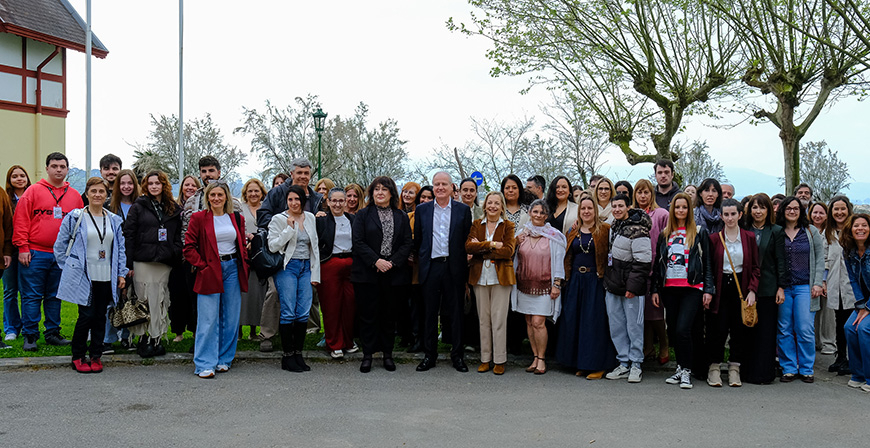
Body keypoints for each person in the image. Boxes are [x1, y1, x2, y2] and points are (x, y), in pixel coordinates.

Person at [54, 177, 128, 372]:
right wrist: (69, 268)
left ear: (106, 195)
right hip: (84, 275)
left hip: (106, 275)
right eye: (93, 191)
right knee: (85, 315)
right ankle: (78, 355)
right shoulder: (75, 217)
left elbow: (120, 250)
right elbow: (60, 246)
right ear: (86, 194)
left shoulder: (114, 220)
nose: (97, 195)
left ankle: (96, 355)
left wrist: (121, 274)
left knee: (100, 316)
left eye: (101, 191)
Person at [12, 152, 82, 351]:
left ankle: (52, 333)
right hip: (35, 252)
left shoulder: (75, 196)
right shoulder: (33, 191)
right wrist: (23, 247)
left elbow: (79, 227)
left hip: (62, 255)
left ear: (67, 169)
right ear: (47, 168)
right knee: (31, 295)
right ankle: (30, 335)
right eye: (54, 166)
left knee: (55, 295)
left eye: (62, 166)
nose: (59, 170)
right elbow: (21, 220)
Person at [183, 180, 249, 378]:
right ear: (207, 197)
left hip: (232, 268)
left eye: (220, 195)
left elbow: (241, 244)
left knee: (230, 317)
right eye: (212, 195)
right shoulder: (199, 218)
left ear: (227, 197)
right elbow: (188, 248)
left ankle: (224, 359)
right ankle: (204, 363)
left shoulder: (236, 218)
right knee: (208, 318)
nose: (216, 198)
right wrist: (202, 265)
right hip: (210, 269)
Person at [651, 193, 714, 389]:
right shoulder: (665, 234)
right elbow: (658, 263)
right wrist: (655, 289)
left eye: (684, 207)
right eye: (677, 207)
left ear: (689, 210)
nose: (680, 211)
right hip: (670, 289)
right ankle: (680, 368)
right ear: (672, 210)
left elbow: (708, 264)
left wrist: (708, 289)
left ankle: (687, 370)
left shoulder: (699, 232)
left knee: (683, 329)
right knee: (674, 331)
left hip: (692, 289)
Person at [257, 159, 325, 341]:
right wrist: (281, 225)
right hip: (281, 257)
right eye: (299, 172)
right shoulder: (277, 193)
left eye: (306, 173)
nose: (303, 176)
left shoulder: (315, 197)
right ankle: (268, 335)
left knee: (305, 299)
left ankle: (305, 333)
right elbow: (263, 215)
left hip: (305, 257)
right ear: (292, 174)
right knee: (274, 293)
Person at [351, 178, 412, 372]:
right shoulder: (362, 215)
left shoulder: (401, 216)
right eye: (376, 189)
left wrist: (392, 262)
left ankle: (387, 354)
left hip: (393, 274)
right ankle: (367, 355)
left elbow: (407, 243)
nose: (380, 193)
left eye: (384, 189)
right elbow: (358, 242)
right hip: (368, 273)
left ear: (392, 194)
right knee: (368, 315)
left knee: (388, 316)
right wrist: (376, 261)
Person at [413, 171, 472, 372]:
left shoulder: (463, 211)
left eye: (444, 184)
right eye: (436, 184)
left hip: (453, 267)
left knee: (455, 313)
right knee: (429, 313)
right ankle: (430, 355)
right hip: (430, 267)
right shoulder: (422, 210)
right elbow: (419, 239)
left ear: (451, 187)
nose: (440, 187)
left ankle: (457, 356)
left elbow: (465, 239)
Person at [556, 195, 617, 379]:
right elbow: (567, 256)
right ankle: (579, 362)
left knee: (593, 323)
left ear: (595, 210)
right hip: (575, 280)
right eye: (583, 209)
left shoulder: (605, 230)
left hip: (595, 280)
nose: (586, 211)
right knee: (574, 321)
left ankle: (597, 365)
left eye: (590, 208)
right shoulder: (572, 231)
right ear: (579, 211)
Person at [124, 170, 183, 357]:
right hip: (143, 260)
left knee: (160, 300)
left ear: (164, 185)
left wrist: (174, 251)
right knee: (144, 300)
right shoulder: (138, 206)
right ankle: (143, 339)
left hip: (164, 262)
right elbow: (129, 235)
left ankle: (157, 338)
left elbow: (178, 234)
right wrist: (128, 263)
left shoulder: (173, 208)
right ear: (145, 186)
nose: (154, 186)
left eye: (158, 183)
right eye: (150, 184)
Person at [706, 198, 760, 388]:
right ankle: (714, 368)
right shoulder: (714, 239)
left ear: (740, 215)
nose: (729, 218)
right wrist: (709, 291)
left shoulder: (749, 238)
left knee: (739, 329)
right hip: (721, 287)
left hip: (741, 288)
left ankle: (734, 368)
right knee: (717, 329)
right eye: (726, 214)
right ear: (721, 216)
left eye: (733, 214)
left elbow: (755, 267)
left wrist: (752, 290)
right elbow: (709, 268)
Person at [268, 185, 320, 373]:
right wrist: (289, 229)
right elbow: (273, 246)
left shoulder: (311, 218)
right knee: (288, 311)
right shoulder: (279, 219)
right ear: (286, 201)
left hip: (306, 267)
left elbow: (315, 247)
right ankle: (287, 355)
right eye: (290, 199)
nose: (294, 203)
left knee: (303, 312)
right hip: (287, 267)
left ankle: (298, 353)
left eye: (297, 199)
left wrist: (316, 274)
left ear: (303, 200)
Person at [775, 195, 826, 383]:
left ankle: (806, 368)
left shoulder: (811, 232)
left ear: (801, 210)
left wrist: (818, 283)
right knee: (784, 328)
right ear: (783, 210)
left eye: (796, 208)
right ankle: (788, 367)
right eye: (788, 208)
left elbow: (820, 258)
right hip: (783, 288)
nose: (792, 211)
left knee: (804, 327)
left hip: (805, 286)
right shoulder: (777, 231)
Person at [513, 199, 566, 375]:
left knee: (538, 322)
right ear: (530, 213)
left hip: (544, 286)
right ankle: (534, 357)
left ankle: (542, 359)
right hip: (524, 285)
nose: (538, 215)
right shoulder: (522, 233)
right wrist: (515, 241)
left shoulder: (554, 235)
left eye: (542, 213)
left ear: (547, 215)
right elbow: (514, 257)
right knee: (528, 321)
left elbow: (559, 261)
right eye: (535, 212)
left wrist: (557, 284)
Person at [603, 193, 652, 383]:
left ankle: (636, 364)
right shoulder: (614, 226)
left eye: (620, 206)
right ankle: (623, 362)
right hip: (613, 285)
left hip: (632, 289)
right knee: (617, 326)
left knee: (634, 326)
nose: (616, 209)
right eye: (614, 206)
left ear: (628, 207)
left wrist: (632, 286)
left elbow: (643, 262)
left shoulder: (639, 229)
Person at [466, 191, 516, 375]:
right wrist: (492, 245)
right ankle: (485, 358)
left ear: (502, 206)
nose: (493, 206)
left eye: (497, 203)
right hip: (480, 277)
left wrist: (482, 246)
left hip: (500, 278)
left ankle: (500, 359)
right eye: (490, 203)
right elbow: (469, 246)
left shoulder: (509, 226)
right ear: (485, 205)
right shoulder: (476, 224)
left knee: (499, 320)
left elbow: (508, 251)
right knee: (483, 320)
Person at [740, 193, 787, 384]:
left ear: (768, 210)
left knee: (766, 332)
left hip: (768, 287)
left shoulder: (776, 231)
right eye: (754, 207)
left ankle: (764, 373)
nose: (758, 211)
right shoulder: (743, 229)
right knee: (747, 330)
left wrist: (781, 287)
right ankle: (747, 372)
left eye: (762, 207)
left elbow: (780, 262)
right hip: (746, 287)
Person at [316, 188, 358, 359]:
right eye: (334, 200)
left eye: (341, 200)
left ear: (346, 202)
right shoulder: (321, 220)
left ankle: (348, 341)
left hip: (351, 264)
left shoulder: (353, 219)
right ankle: (334, 344)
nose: (338, 204)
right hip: (330, 263)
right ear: (328, 202)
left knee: (350, 304)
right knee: (331, 306)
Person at [634, 179, 670, 365]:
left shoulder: (661, 214)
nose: (643, 196)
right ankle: (647, 347)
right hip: (636, 269)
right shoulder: (631, 215)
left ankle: (663, 344)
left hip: (656, 268)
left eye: (646, 192)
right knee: (643, 314)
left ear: (652, 194)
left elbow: (667, 241)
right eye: (639, 192)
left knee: (656, 313)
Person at [103, 168, 140, 350]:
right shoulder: (109, 206)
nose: (126, 187)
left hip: (134, 259)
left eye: (130, 183)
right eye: (122, 183)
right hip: (112, 260)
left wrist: (130, 264)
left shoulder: (141, 205)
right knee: (112, 300)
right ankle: (109, 339)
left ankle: (127, 337)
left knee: (130, 300)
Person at [823, 196, 856, 376]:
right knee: (839, 322)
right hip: (835, 284)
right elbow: (825, 260)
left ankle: (853, 358)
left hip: (852, 286)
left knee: (851, 323)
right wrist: (824, 281)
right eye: (836, 209)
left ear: (848, 210)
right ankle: (841, 356)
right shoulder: (828, 233)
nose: (839, 212)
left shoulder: (854, 230)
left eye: (843, 209)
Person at [168, 175, 201, 343]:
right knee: (177, 296)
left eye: (193, 185)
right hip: (177, 258)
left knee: (193, 296)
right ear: (181, 187)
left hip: (194, 257)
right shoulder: (173, 207)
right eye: (186, 185)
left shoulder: (200, 205)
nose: (190, 187)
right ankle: (178, 332)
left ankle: (195, 330)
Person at [841, 213, 870, 392]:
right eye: (856, 226)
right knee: (850, 328)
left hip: (869, 305)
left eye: (864, 225)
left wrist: (867, 308)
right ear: (850, 230)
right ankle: (858, 375)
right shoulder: (849, 251)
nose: (860, 228)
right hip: (864, 302)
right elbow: (853, 280)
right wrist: (861, 306)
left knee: (865, 329)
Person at [182, 156, 243, 237]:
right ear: (200, 174)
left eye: (211, 171)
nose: (207, 174)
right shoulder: (191, 202)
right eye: (204, 171)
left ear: (219, 173)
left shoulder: (234, 203)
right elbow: (185, 232)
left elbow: (242, 232)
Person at [2, 165, 30, 343]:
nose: (19, 179)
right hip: (9, 252)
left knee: (28, 292)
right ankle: (11, 328)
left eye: (22, 176)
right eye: (15, 176)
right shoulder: (5, 198)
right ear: (9, 180)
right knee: (10, 291)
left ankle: (29, 327)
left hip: (28, 250)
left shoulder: (33, 196)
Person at [239, 179, 268, 340]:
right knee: (243, 293)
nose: (253, 194)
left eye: (256, 190)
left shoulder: (266, 209)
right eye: (250, 191)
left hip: (262, 255)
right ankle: (238, 331)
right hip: (244, 255)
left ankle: (254, 331)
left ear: (261, 192)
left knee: (258, 294)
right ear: (245, 193)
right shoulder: (240, 209)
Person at [809, 201, 836, 355]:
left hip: (828, 277)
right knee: (813, 310)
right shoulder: (806, 230)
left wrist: (824, 280)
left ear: (827, 215)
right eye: (815, 212)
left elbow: (826, 258)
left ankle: (828, 343)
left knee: (827, 312)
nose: (818, 216)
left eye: (821, 213)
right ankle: (814, 341)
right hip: (809, 277)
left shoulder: (829, 233)